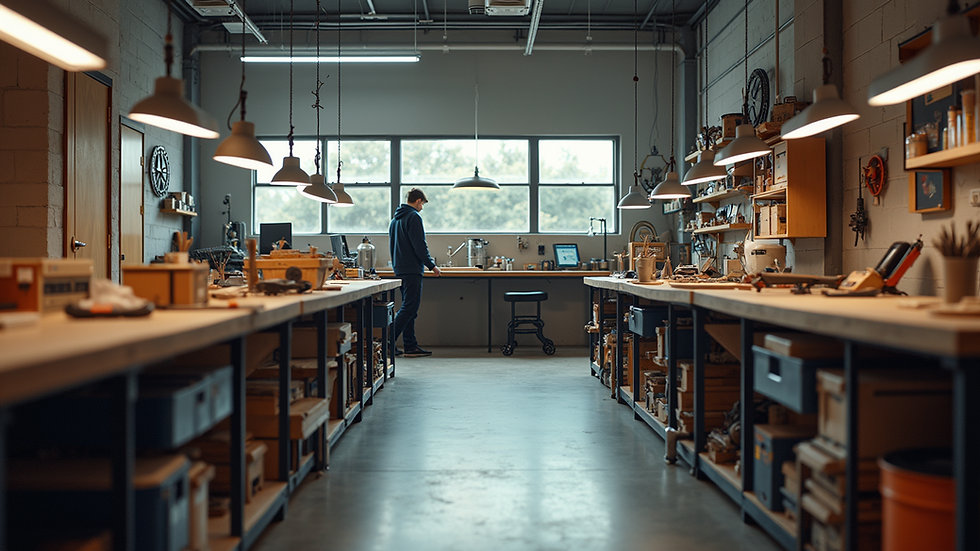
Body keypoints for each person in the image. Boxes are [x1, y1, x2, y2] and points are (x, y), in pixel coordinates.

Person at [389, 187, 441, 357]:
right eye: (423, 204)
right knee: (410, 307)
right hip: (412, 269)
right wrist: (431, 265)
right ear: (418, 201)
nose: (422, 208)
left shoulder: (395, 220)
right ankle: (387, 342)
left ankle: (410, 346)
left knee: (408, 307)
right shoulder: (414, 217)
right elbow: (420, 246)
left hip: (400, 268)